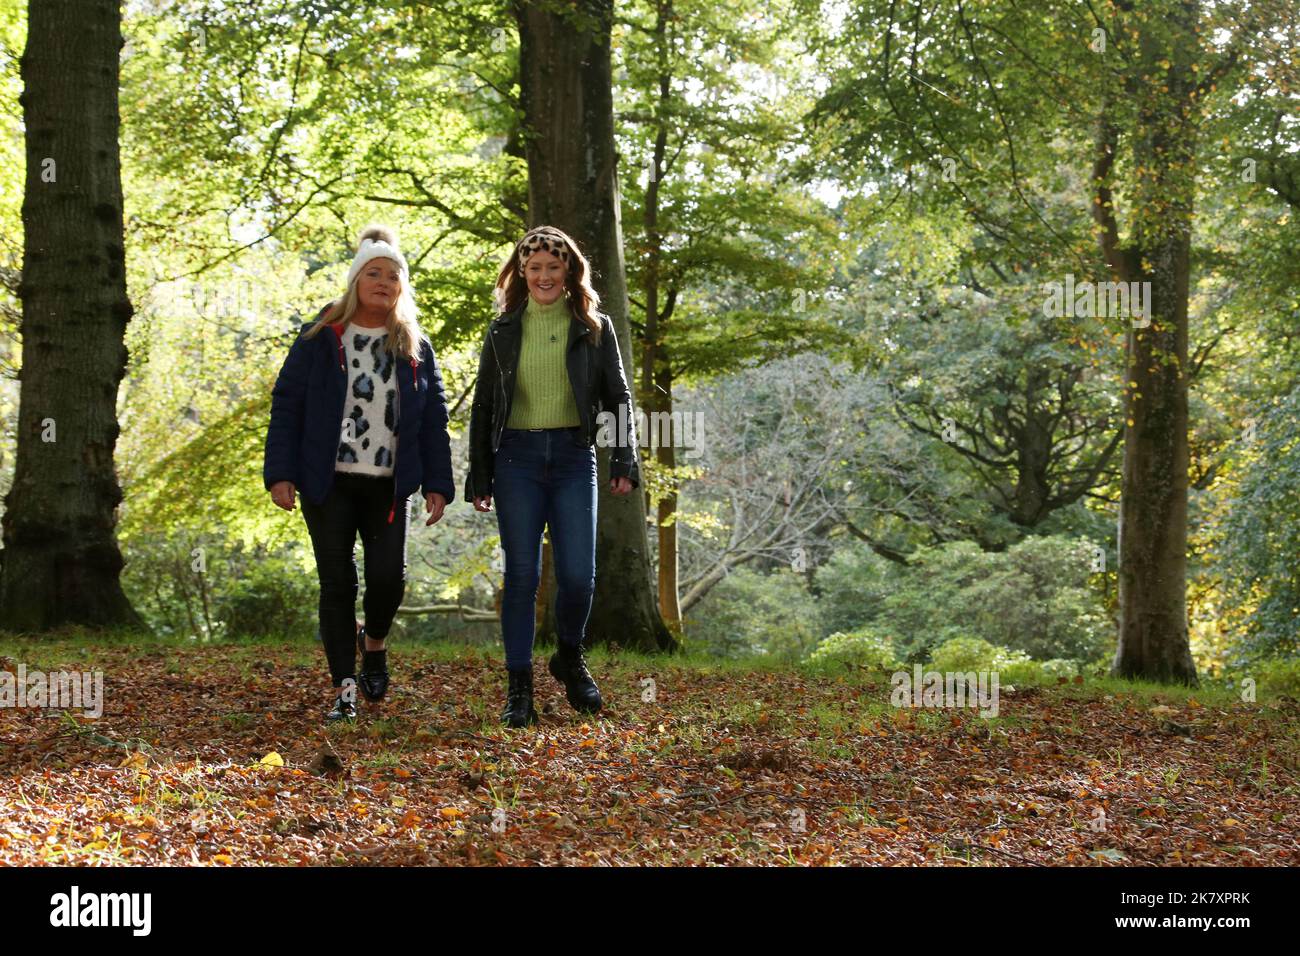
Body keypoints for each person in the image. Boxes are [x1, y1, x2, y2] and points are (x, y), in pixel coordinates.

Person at [263, 224, 455, 722]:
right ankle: (344, 688)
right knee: (336, 582)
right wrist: (280, 473)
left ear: (401, 288)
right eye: (373, 273)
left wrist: (438, 482)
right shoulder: (321, 337)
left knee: (389, 577)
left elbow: (434, 419)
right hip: (327, 480)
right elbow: (287, 404)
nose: (383, 282)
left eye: (393, 276)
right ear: (355, 281)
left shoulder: (415, 347)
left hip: (388, 484)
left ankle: (374, 643)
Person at [465, 225, 640, 727]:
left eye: (553, 266)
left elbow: (619, 398)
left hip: (571, 456)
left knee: (579, 578)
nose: (544, 275)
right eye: (534, 266)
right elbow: (483, 406)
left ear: (569, 271)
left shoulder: (593, 326)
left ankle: (568, 655)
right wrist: (481, 475)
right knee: (521, 575)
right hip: (515, 459)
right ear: (522, 272)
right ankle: (518, 688)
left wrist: (624, 461)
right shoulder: (502, 331)